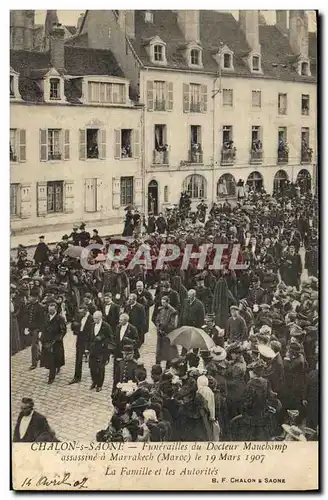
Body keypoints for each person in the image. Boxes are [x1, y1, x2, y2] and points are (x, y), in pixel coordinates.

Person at [40, 300, 67, 384]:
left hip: (55, 342)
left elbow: (63, 331)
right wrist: (41, 337)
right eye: (49, 310)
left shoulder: (60, 318)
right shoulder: (46, 316)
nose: (50, 312)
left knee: (53, 360)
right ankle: (55, 368)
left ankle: (51, 377)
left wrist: (57, 339)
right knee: (48, 358)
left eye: (52, 310)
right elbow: (43, 327)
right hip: (46, 341)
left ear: (55, 309)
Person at [69, 304, 93, 384]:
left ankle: (94, 377)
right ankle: (77, 377)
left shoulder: (92, 318)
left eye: (81, 312)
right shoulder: (79, 316)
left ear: (86, 311)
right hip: (80, 339)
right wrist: (74, 325)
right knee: (78, 359)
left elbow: (92, 333)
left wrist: (88, 347)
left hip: (89, 341)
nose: (79, 314)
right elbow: (73, 327)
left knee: (91, 360)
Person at [89, 311, 112, 392]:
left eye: (96, 318)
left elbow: (110, 339)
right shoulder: (92, 325)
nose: (94, 320)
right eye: (94, 318)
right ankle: (94, 381)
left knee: (100, 368)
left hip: (102, 351)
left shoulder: (106, 326)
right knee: (92, 367)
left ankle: (99, 384)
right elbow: (90, 337)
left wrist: (102, 340)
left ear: (100, 318)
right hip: (93, 350)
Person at [154, 295, 178, 367]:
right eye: (162, 302)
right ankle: (157, 366)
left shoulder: (173, 311)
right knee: (159, 350)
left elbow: (173, 324)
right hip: (160, 334)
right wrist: (159, 327)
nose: (162, 304)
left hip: (168, 334)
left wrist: (164, 329)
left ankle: (168, 366)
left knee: (168, 351)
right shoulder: (161, 309)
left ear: (168, 302)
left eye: (164, 302)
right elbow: (157, 320)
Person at [24, 288, 45, 370]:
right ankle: (39, 355)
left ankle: (34, 363)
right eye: (30, 296)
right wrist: (26, 327)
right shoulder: (29, 306)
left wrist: (41, 331)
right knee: (35, 344)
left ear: (36, 298)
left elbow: (42, 320)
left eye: (31, 297)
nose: (30, 298)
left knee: (33, 346)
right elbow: (27, 318)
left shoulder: (40, 307)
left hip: (36, 329)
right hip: (30, 328)